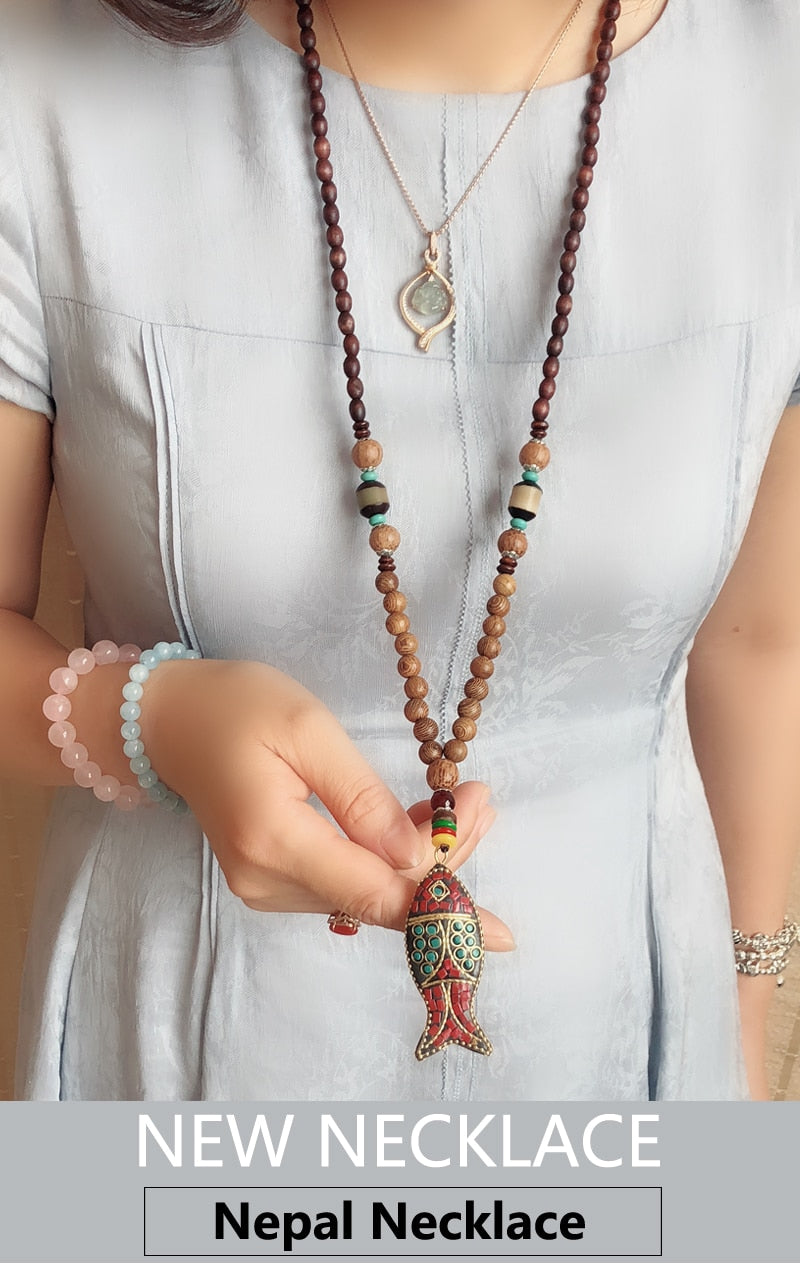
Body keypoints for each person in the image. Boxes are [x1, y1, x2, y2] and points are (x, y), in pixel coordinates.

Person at [1, 0, 799, 1102]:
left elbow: (755, 641)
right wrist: (146, 719)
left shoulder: (775, 85)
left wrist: (746, 1015)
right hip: (173, 1053)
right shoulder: (37, 85)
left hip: (638, 1040)